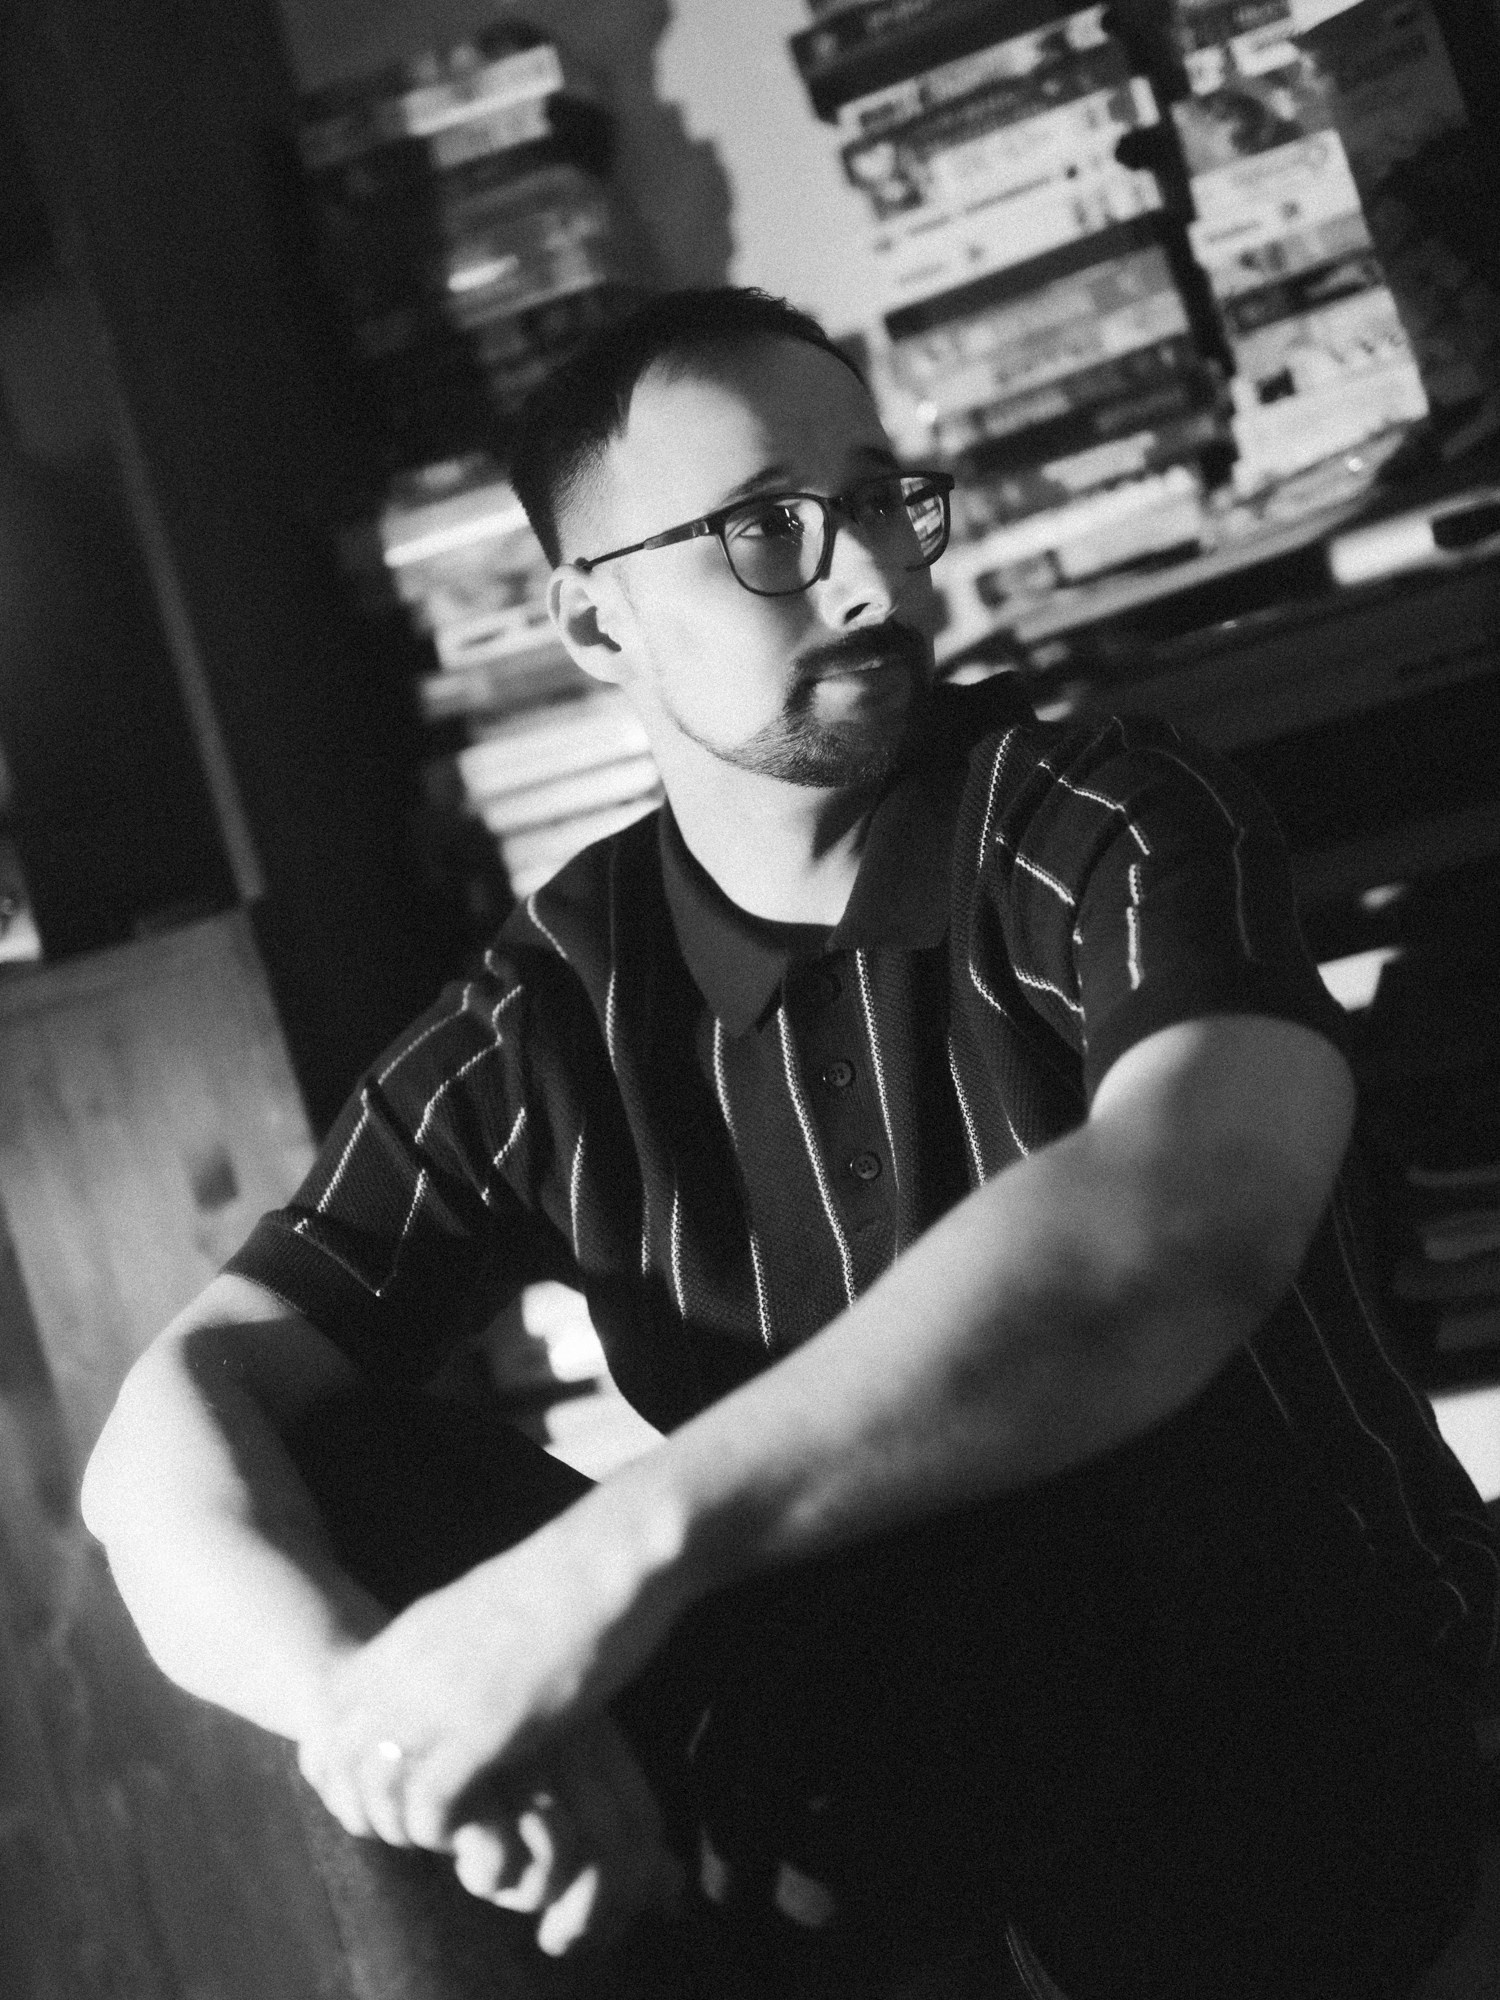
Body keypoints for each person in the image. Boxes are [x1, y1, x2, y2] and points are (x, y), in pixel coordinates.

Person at [82, 286, 1499, 1998]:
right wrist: (392, 1714)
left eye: (882, 501)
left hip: (1330, 1740)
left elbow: (1182, 1227)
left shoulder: (1103, 812)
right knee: (334, 1476)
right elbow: (159, 1437)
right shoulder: (558, 1006)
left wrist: (606, 1569)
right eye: (767, 529)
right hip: (919, 1823)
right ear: (595, 623)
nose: (875, 577)